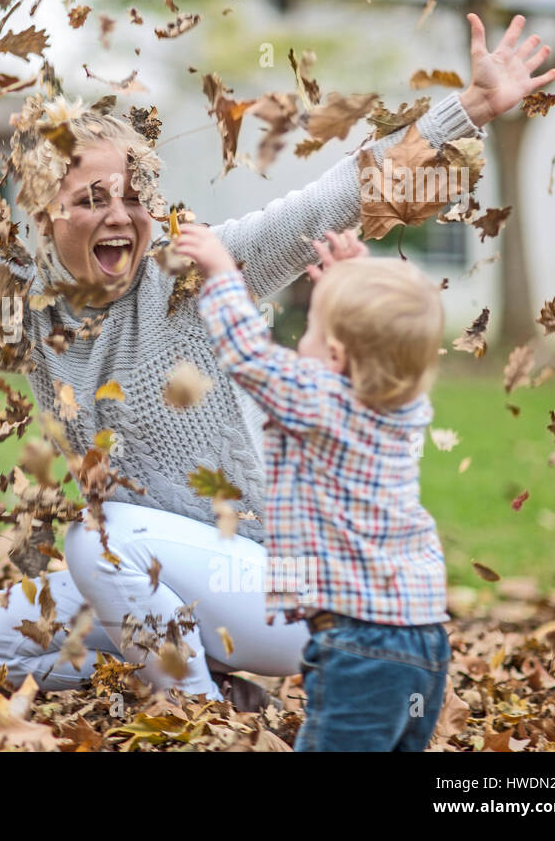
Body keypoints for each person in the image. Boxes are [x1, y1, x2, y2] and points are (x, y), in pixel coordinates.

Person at [0, 13, 555, 700]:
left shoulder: (193, 274)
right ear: (41, 211)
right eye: (92, 198)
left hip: (270, 588)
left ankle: (198, 709)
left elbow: (333, 196)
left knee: (100, 537)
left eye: (135, 195)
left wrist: (468, 110)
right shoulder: (22, 303)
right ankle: (197, 674)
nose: (121, 215)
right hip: (156, 583)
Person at [177, 224, 450, 750]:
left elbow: (250, 357)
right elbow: (380, 338)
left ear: (337, 359)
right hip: (424, 639)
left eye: (308, 332)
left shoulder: (322, 400)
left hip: (361, 645)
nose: (295, 344)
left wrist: (222, 274)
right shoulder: (404, 408)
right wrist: (348, 281)